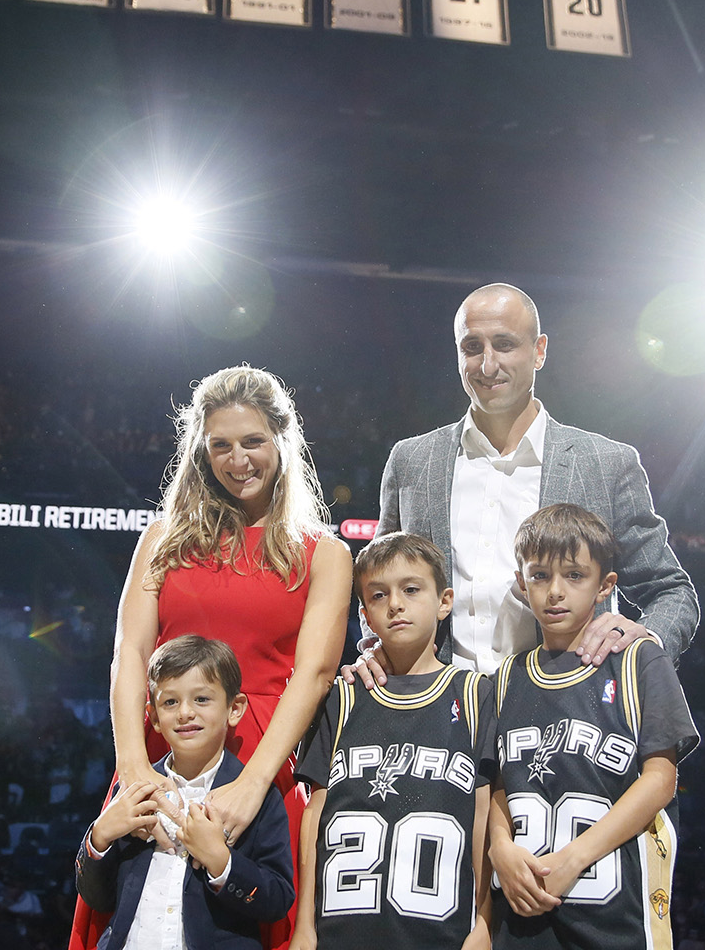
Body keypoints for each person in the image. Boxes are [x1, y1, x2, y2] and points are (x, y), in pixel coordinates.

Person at [74, 365, 352, 950]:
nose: (237, 460)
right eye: (220, 445)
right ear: (200, 450)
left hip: (260, 762)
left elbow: (316, 673)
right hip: (157, 762)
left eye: (253, 441)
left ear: (282, 440)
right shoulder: (161, 538)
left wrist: (253, 785)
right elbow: (130, 654)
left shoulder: (324, 552)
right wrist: (133, 772)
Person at [361, 283, 699, 681]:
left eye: (504, 344)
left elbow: (672, 591)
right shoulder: (412, 461)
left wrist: (646, 641)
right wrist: (376, 647)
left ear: (539, 351)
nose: (487, 365)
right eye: (472, 347)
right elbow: (378, 583)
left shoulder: (606, 465)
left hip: (564, 716)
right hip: (439, 714)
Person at [485, 504, 699, 949]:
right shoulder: (503, 679)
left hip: (617, 916)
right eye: (540, 576)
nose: (555, 592)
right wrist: (500, 846)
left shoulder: (639, 660)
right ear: (522, 584)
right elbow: (498, 785)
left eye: (574, 576)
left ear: (605, 586)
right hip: (524, 917)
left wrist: (573, 857)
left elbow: (660, 780)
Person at [291, 532, 496, 950]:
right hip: (342, 930)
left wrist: (484, 921)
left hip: (440, 930)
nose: (396, 604)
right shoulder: (344, 696)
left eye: (411, 589)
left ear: (444, 601)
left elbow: (483, 814)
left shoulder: (475, 693)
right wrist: (305, 927)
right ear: (365, 613)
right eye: (379, 595)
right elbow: (315, 813)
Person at [76, 636, 296, 950]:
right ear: (153, 717)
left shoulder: (254, 797)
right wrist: (100, 837)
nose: (185, 713)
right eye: (170, 702)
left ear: (234, 709)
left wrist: (221, 862)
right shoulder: (135, 791)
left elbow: (277, 900)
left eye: (201, 699)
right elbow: (98, 898)